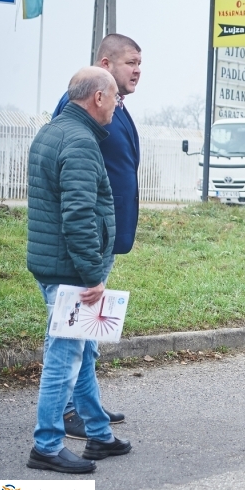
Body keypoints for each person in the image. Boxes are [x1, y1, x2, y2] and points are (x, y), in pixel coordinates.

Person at [26, 67, 132, 473]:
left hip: (52, 264)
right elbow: (78, 216)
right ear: (98, 98)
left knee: (84, 351)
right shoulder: (81, 142)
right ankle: (47, 445)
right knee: (64, 357)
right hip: (71, 272)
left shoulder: (51, 132)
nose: (117, 105)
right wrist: (93, 277)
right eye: (115, 97)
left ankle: (99, 435)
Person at [52, 33, 142, 439]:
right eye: (130, 63)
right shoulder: (80, 106)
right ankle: (69, 411)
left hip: (105, 236)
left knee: (88, 329)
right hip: (88, 236)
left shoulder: (117, 107)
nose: (137, 71)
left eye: (139, 64)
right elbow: (69, 167)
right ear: (105, 64)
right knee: (73, 328)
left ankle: (86, 403)